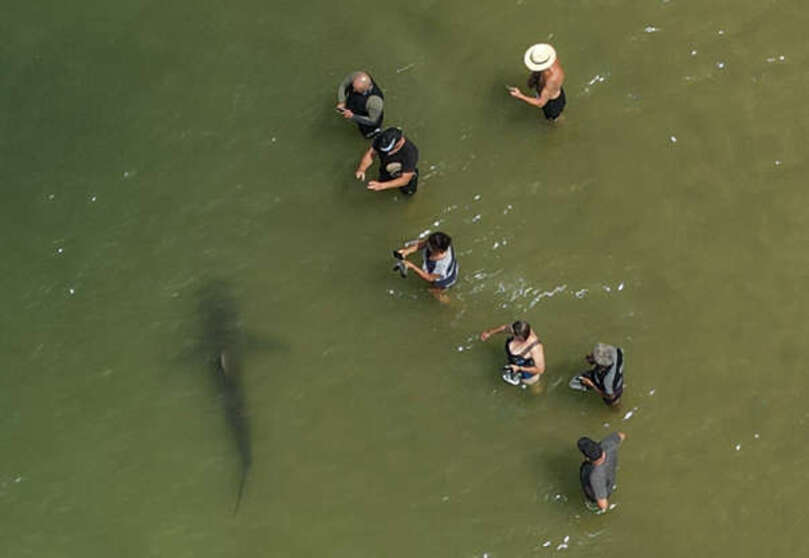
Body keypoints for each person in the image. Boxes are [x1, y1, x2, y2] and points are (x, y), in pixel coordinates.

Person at [507, 43, 566, 121]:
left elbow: (541, 103)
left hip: (551, 103)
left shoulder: (552, 80)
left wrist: (520, 96)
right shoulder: (549, 58)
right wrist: (534, 77)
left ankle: (559, 123)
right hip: (544, 91)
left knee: (553, 120)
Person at [355, 127, 419, 195]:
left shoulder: (410, 153)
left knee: (408, 192)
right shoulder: (381, 139)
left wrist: (382, 186)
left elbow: (405, 179)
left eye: (389, 149)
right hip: (386, 167)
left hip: (404, 173)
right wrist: (362, 169)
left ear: (399, 142)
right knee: (381, 185)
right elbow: (371, 154)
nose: (387, 153)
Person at [394, 232, 458, 299]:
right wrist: (407, 251)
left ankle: (451, 305)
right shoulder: (440, 244)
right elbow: (423, 244)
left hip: (445, 280)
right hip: (440, 267)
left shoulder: (441, 267)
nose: (427, 244)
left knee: (433, 291)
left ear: (439, 250)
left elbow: (429, 278)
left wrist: (412, 266)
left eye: (430, 245)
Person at [480, 320, 546, 385]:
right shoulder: (519, 329)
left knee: (535, 388)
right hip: (513, 363)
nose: (510, 332)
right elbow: (504, 328)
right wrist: (490, 333)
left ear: (521, 337)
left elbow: (540, 370)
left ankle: (537, 386)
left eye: (513, 334)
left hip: (527, 375)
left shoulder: (535, 348)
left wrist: (519, 368)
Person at [577, 432, 626, 511]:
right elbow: (621, 435)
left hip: (601, 490)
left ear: (588, 458)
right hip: (609, 475)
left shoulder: (595, 477)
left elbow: (603, 505)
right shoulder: (608, 444)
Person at [336, 71, 384, 138]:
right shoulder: (357, 76)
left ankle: (374, 133)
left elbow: (373, 121)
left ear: (366, 90)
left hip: (368, 116)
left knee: (368, 131)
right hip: (356, 105)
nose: (353, 90)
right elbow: (343, 85)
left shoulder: (375, 102)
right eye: (353, 87)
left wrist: (353, 116)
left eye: (357, 90)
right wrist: (342, 101)